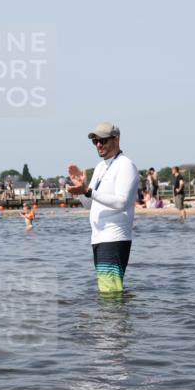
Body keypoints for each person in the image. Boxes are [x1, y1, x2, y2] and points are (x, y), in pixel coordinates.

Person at [66, 122, 139, 295]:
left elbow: (122, 202)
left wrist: (88, 191)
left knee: (110, 293)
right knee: (107, 290)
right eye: (95, 141)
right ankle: (112, 321)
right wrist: (80, 190)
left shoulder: (125, 165)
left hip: (114, 237)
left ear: (116, 140)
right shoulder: (100, 167)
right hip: (98, 238)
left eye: (103, 140)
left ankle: (114, 321)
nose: (99, 145)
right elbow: (89, 203)